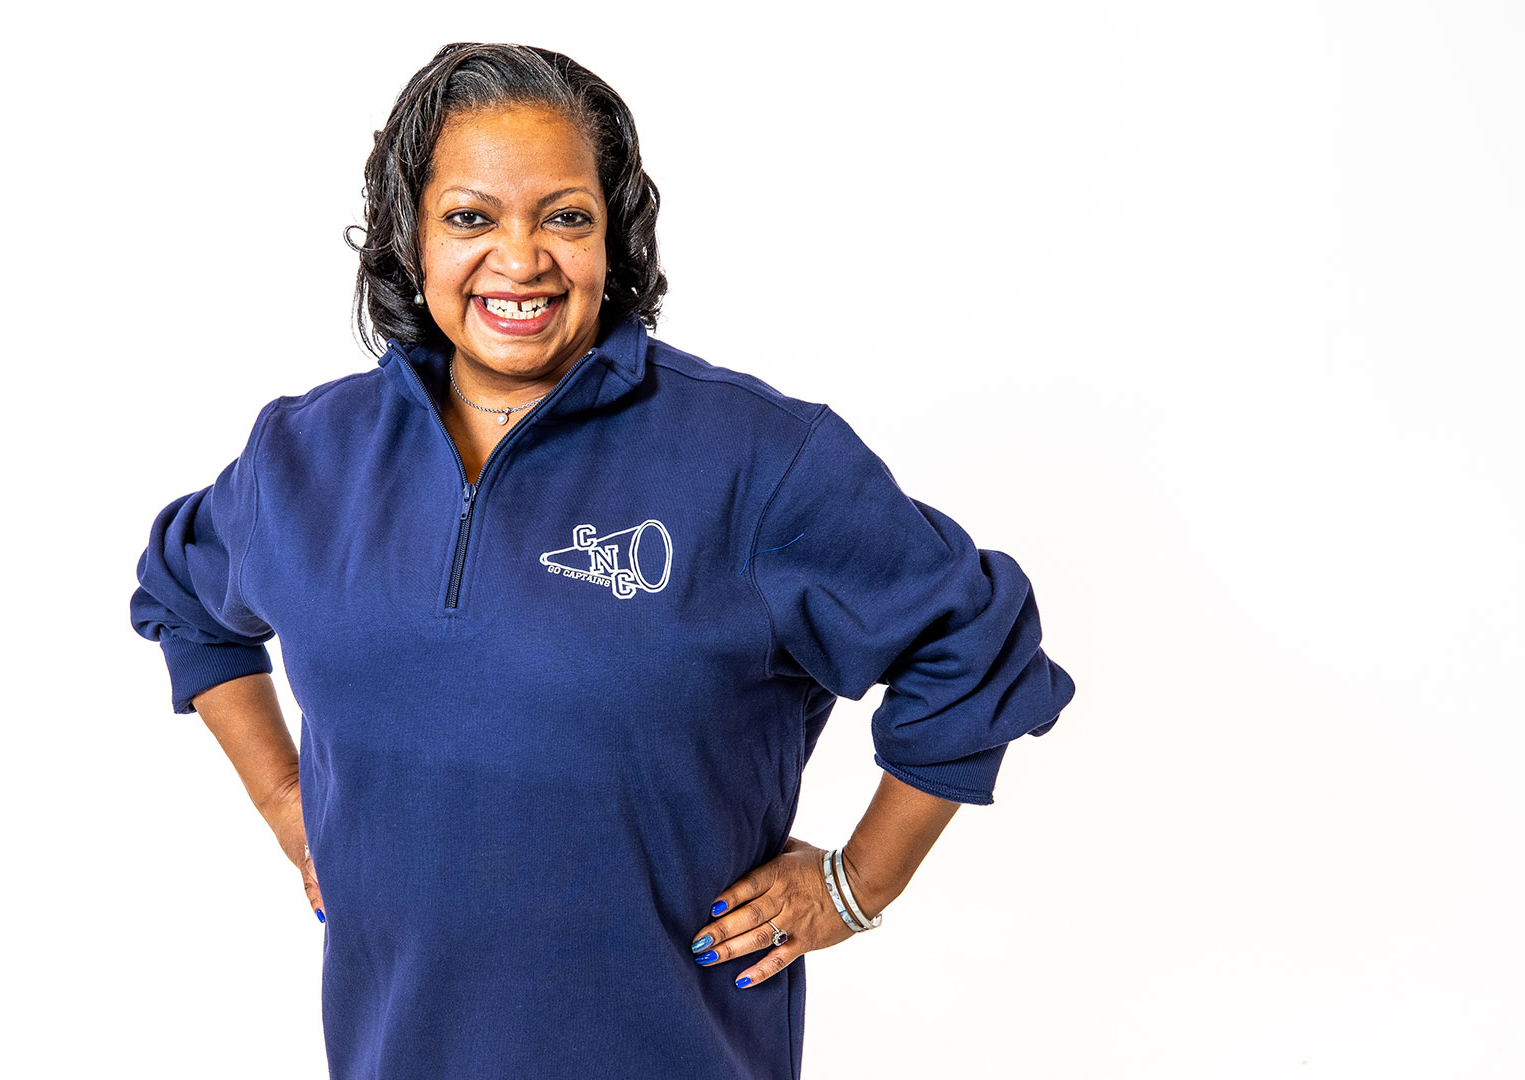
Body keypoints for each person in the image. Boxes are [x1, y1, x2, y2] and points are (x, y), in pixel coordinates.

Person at [129, 41, 1075, 1080]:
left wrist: (858, 886)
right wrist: (284, 800)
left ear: (614, 234)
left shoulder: (754, 459)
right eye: (471, 217)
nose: (520, 258)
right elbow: (189, 598)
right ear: (409, 237)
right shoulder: (303, 460)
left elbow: (971, 641)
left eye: (565, 216)